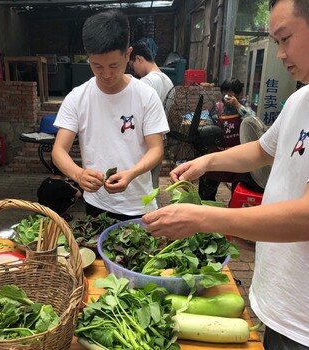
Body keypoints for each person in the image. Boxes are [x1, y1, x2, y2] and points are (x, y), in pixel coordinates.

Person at [142, 0, 309, 349]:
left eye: (284, 39)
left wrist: (203, 217)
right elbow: (262, 149)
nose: (279, 54)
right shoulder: (300, 100)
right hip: (282, 307)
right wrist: (207, 162)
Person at [51, 10, 169, 222]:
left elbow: (156, 150)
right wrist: (78, 174)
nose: (106, 74)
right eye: (97, 66)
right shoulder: (78, 97)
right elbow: (59, 151)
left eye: (113, 65)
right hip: (96, 203)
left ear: (128, 54)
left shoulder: (146, 95)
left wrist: (131, 174)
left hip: (139, 205)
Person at [199, 77, 257, 201]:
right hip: (219, 153)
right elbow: (209, 124)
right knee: (207, 189)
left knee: (238, 191)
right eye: (224, 92)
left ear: (239, 94)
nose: (226, 96)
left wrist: (237, 105)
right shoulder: (218, 107)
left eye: (230, 93)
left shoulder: (244, 106)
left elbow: (253, 121)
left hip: (238, 156)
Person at [129, 40, 174, 189]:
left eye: (132, 65)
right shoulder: (168, 81)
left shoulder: (145, 83)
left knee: (140, 187)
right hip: (160, 141)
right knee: (152, 185)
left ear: (139, 59)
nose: (134, 71)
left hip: (144, 143)